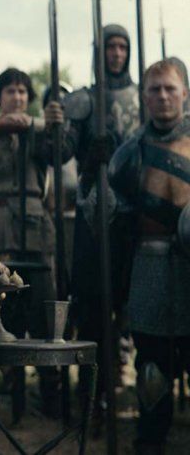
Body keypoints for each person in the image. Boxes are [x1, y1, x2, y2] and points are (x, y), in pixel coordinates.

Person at [109, 59, 190, 454]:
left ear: (184, 93)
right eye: (154, 89)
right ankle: (151, 442)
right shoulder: (130, 154)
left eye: (169, 88)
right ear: (143, 96)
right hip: (148, 266)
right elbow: (110, 218)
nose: (162, 96)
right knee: (152, 371)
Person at [59, 24, 140, 409]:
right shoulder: (84, 99)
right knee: (91, 305)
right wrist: (58, 126)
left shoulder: (143, 97)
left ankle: (120, 381)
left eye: (123, 47)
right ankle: (90, 392)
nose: (117, 54)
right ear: (100, 52)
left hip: (134, 213)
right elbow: (60, 152)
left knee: (128, 302)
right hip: (93, 213)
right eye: (111, 47)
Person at [0, 68, 67, 416]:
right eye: (10, 91)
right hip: (1, 227)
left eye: (22, 92)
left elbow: (59, 153)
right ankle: (10, 390)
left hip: (35, 229)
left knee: (44, 311)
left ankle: (51, 393)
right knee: (6, 311)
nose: (17, 97)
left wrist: (50, 124)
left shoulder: (39, 132)